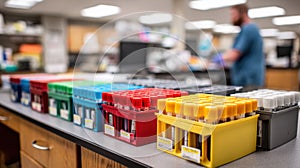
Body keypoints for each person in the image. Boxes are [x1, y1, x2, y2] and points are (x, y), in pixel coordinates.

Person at [213, 4, 265, 87]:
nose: (232, 18)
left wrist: (219, 58)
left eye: (234, 14)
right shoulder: (245, 30)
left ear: (243, 14)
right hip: (245, 78)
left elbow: (234, 54)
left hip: (249, 79)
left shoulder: (249, 29)